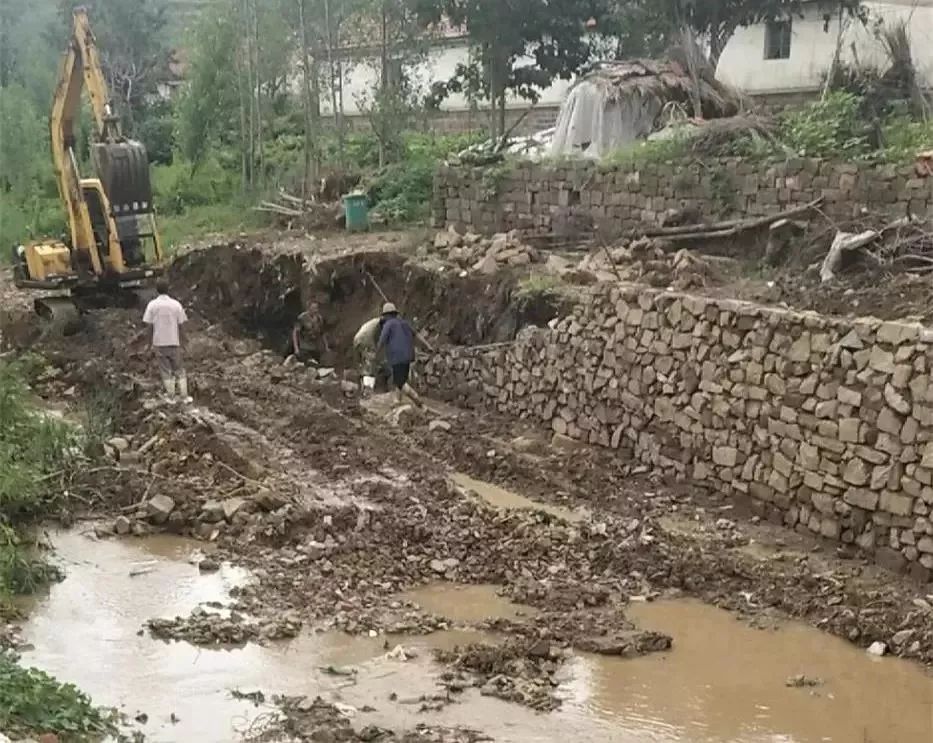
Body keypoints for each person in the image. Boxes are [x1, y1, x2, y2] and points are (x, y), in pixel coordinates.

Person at [143, 279, 192, 404]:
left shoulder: (152, 305)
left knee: (165, 370)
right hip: (174, 342)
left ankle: (170, 397)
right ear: (168, 289)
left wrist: (148, 344)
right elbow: (181, 326)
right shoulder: (176, 304)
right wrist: (185, 341)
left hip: (159, 343)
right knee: (179, 369)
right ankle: (184, 396)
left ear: (156, 290)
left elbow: (149, 327)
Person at [375, 302, 422, 406]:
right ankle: (398, 401)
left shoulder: (388, 325)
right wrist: (428, 346)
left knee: (399, 382)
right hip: (408, 356)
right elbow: (416, 335)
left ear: (386, 315)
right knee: (400, 379)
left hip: (397, 357)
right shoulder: (404, 323)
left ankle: (415, 398)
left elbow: (382, 340)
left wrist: (376, 353)